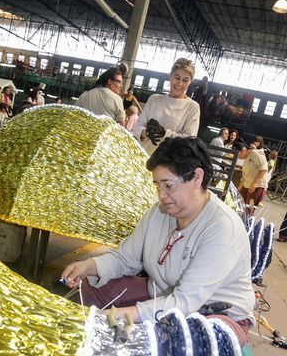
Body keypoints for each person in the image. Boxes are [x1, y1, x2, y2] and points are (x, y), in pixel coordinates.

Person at [61, 136, 254, 345]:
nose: (161, 195)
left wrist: (125, 315)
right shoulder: (160, 212)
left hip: (212, 313)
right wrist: (90, 266)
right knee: (93, 288)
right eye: (157, 186)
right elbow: (126, 258)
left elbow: (185, 302)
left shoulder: (221, 228)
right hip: (161, 293)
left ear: (197, 177)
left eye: (168, 185)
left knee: (190, 343)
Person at [133, 58, 200, 153]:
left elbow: (189, 140)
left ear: (190, 82)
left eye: (185, 80)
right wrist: (146, 132)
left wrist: (164, 134)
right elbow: (138, 126)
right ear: (170, 76)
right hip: (143, 155)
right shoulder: (154, 99)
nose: (180, 83)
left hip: (169, 163)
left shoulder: (192, 107)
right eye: (177, 78)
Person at [239, 136, 268, 210]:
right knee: (242, 205)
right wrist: (241, 184)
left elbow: (264, 169)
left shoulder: (255, 153)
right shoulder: (246, 157)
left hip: (257, 185)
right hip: (248, 183)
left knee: (249, 209)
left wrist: (255, 183)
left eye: (238, 155)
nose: (239, 158)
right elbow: (245, 172)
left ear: (243, 150)